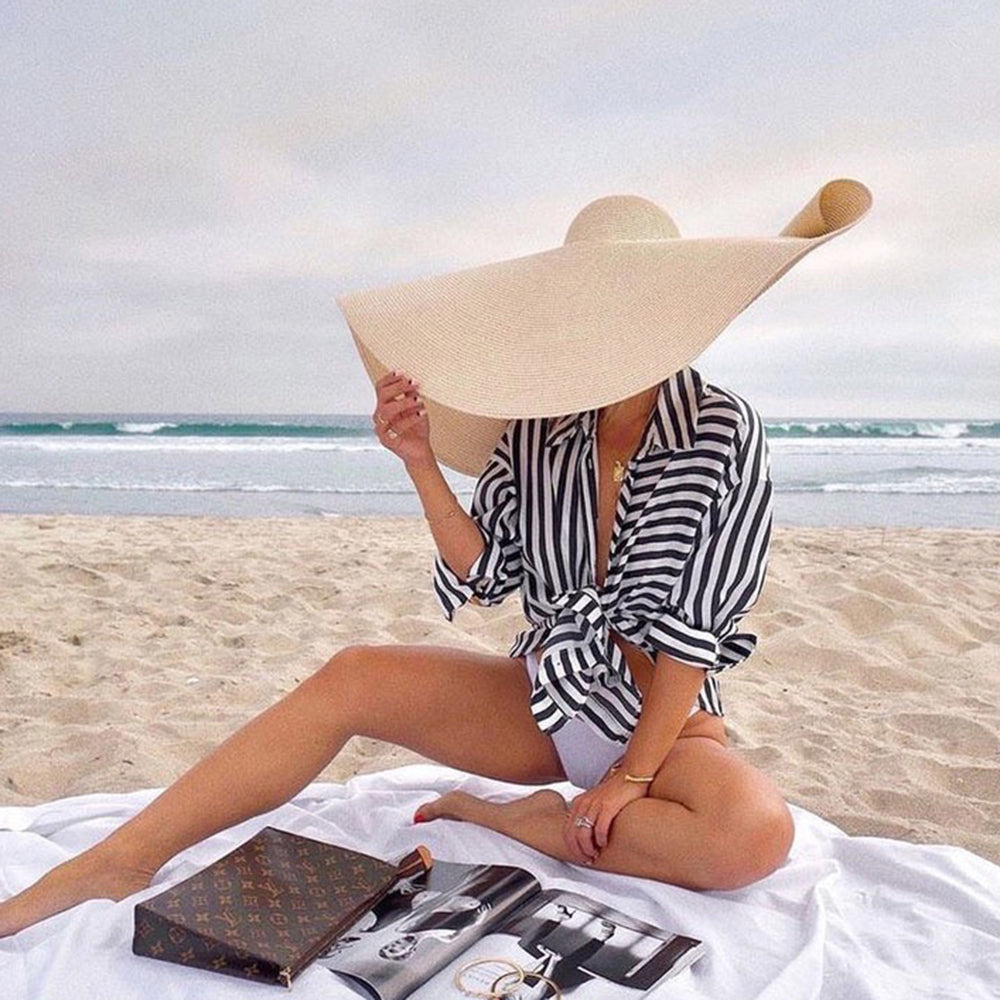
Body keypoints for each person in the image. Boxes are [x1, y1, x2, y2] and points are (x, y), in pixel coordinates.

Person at [0, 177, 872, 938]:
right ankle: (119, 860)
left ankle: (531, 824)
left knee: (754, 836)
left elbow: (697, 631)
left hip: (663, 722)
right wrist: (419, 461)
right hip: (548, 697)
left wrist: (634, 775)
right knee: (352, 675)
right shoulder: (538, 430)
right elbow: (486, 572)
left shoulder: (723, 431)